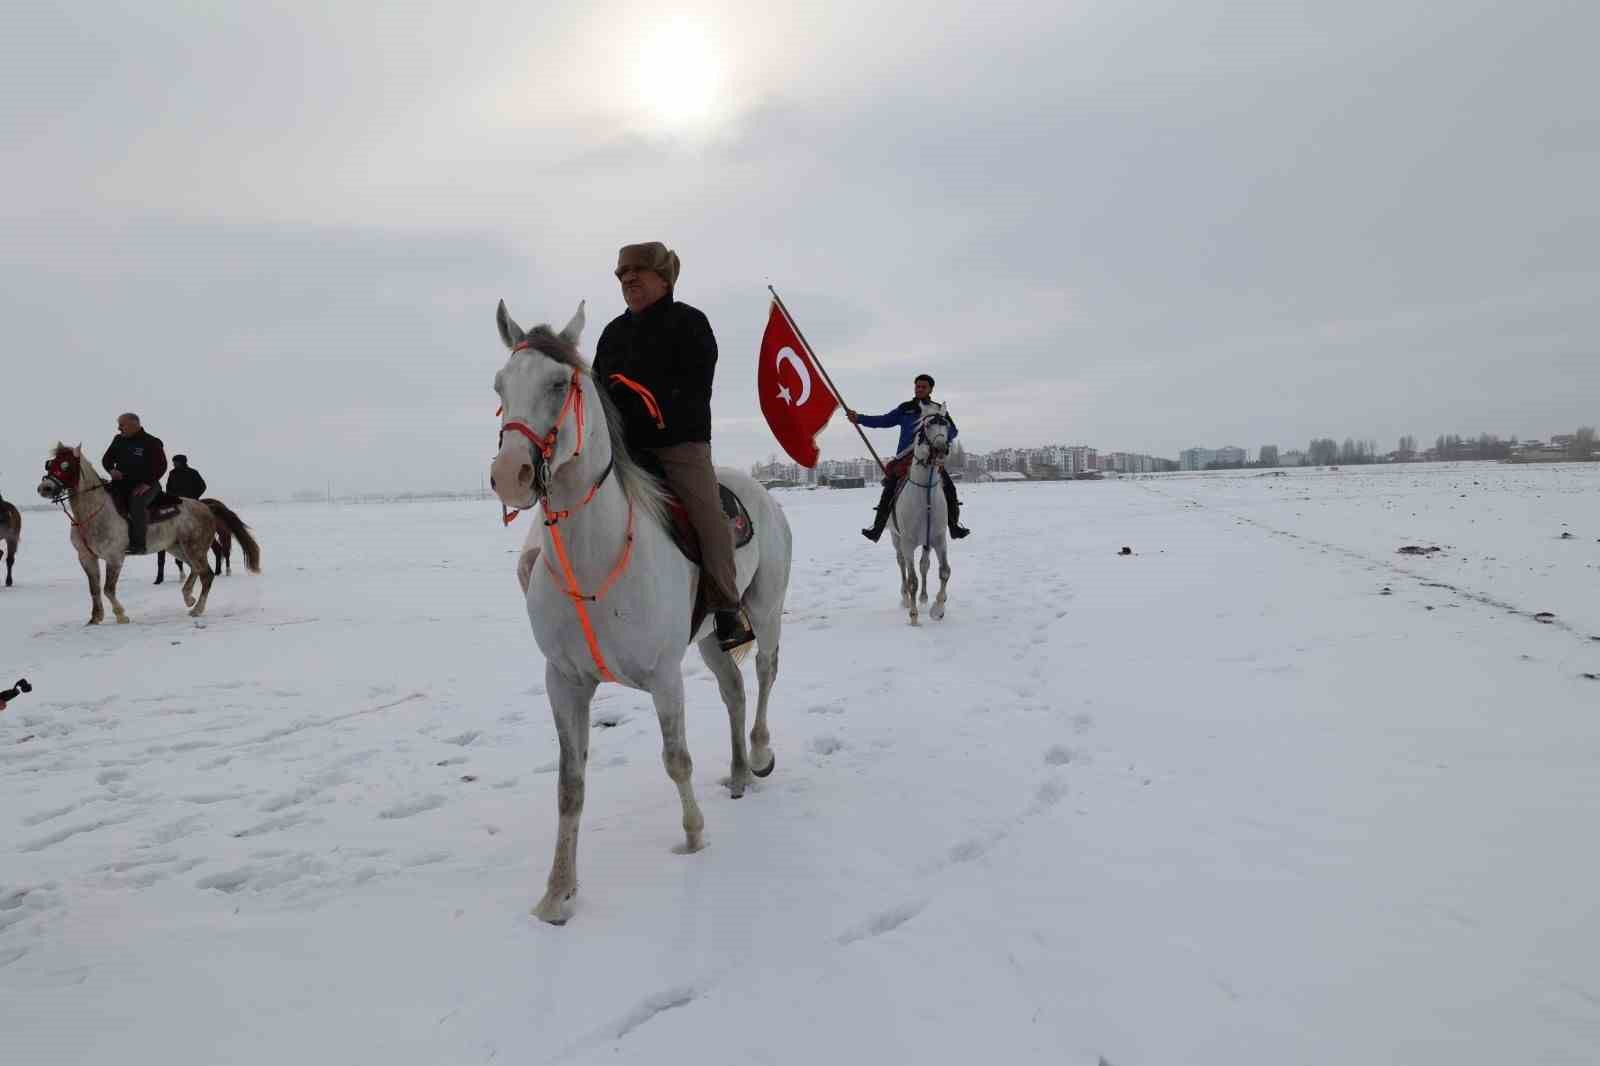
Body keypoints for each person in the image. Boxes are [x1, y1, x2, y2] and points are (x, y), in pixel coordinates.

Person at [592, 241, 753, 651]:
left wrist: (641, 401)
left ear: (663, 278)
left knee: (708, 517)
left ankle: (726, 605)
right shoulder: (611, 335)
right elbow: (596, 392)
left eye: (638, 272)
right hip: (623, 451)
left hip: (678, 446)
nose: (628, 279)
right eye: (622, 274)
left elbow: (694, 388)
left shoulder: (690, 324)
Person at [847, 374, 970, 542]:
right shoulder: (905, 408)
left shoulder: (938, 409)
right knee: (889, 489)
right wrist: (859, 418)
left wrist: (941, 440)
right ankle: (877, 528)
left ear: (930, 389)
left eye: (923, 387)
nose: (919, 389)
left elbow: (953, 430)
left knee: (949, 488)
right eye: (917, 386)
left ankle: (954, 526)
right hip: (905, 458)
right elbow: (884, 420)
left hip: (930, 459)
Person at [103, 413, 167, 555]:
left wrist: (147, 483)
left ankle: (138, 545)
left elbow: (161, 466)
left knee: (136, 502)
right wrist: (111, 470)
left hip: (146, 485)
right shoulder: (118, 439)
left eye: (122, 425)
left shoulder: (151, 442)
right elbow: (107, 459)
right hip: (121, 484)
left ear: (134, 424)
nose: (119, 428)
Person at [155, 455, 207, 584]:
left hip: (190, 505)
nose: (174, 464)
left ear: (183, 462)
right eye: (174, 462)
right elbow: (168, 488)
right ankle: (160, 573)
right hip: (176, 503)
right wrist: (171, 499)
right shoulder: (172, 473)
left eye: (176, 462)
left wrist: (193, 498)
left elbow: (202, 486)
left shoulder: (193, 473)